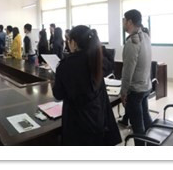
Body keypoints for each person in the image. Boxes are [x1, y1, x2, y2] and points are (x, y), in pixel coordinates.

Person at [52, 25, 121, 146]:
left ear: (74, 43)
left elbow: (58, 94)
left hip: (77, 124)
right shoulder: (97, 59)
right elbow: (108, 64)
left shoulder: (65, 65)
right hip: (97, 117)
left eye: (69, 41)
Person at [120, 9, 153, 145]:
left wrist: (123, 92)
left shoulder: (132, 42)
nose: (123, 22)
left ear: (129, 22)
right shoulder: (145, 36)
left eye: (124, 20)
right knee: (146, 119)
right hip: (146, 86)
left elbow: (128, 71)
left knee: (137, 126)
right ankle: (153, 144)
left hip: (135, 90)